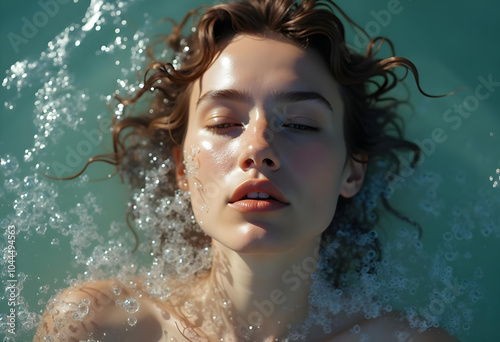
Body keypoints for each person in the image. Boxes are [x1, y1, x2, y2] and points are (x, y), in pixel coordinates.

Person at [34, 0, 459, 340]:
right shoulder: (94, 326)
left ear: (352, 171)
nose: (258, 148)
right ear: (183, 169)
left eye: (300, 124)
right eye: (223, 124)